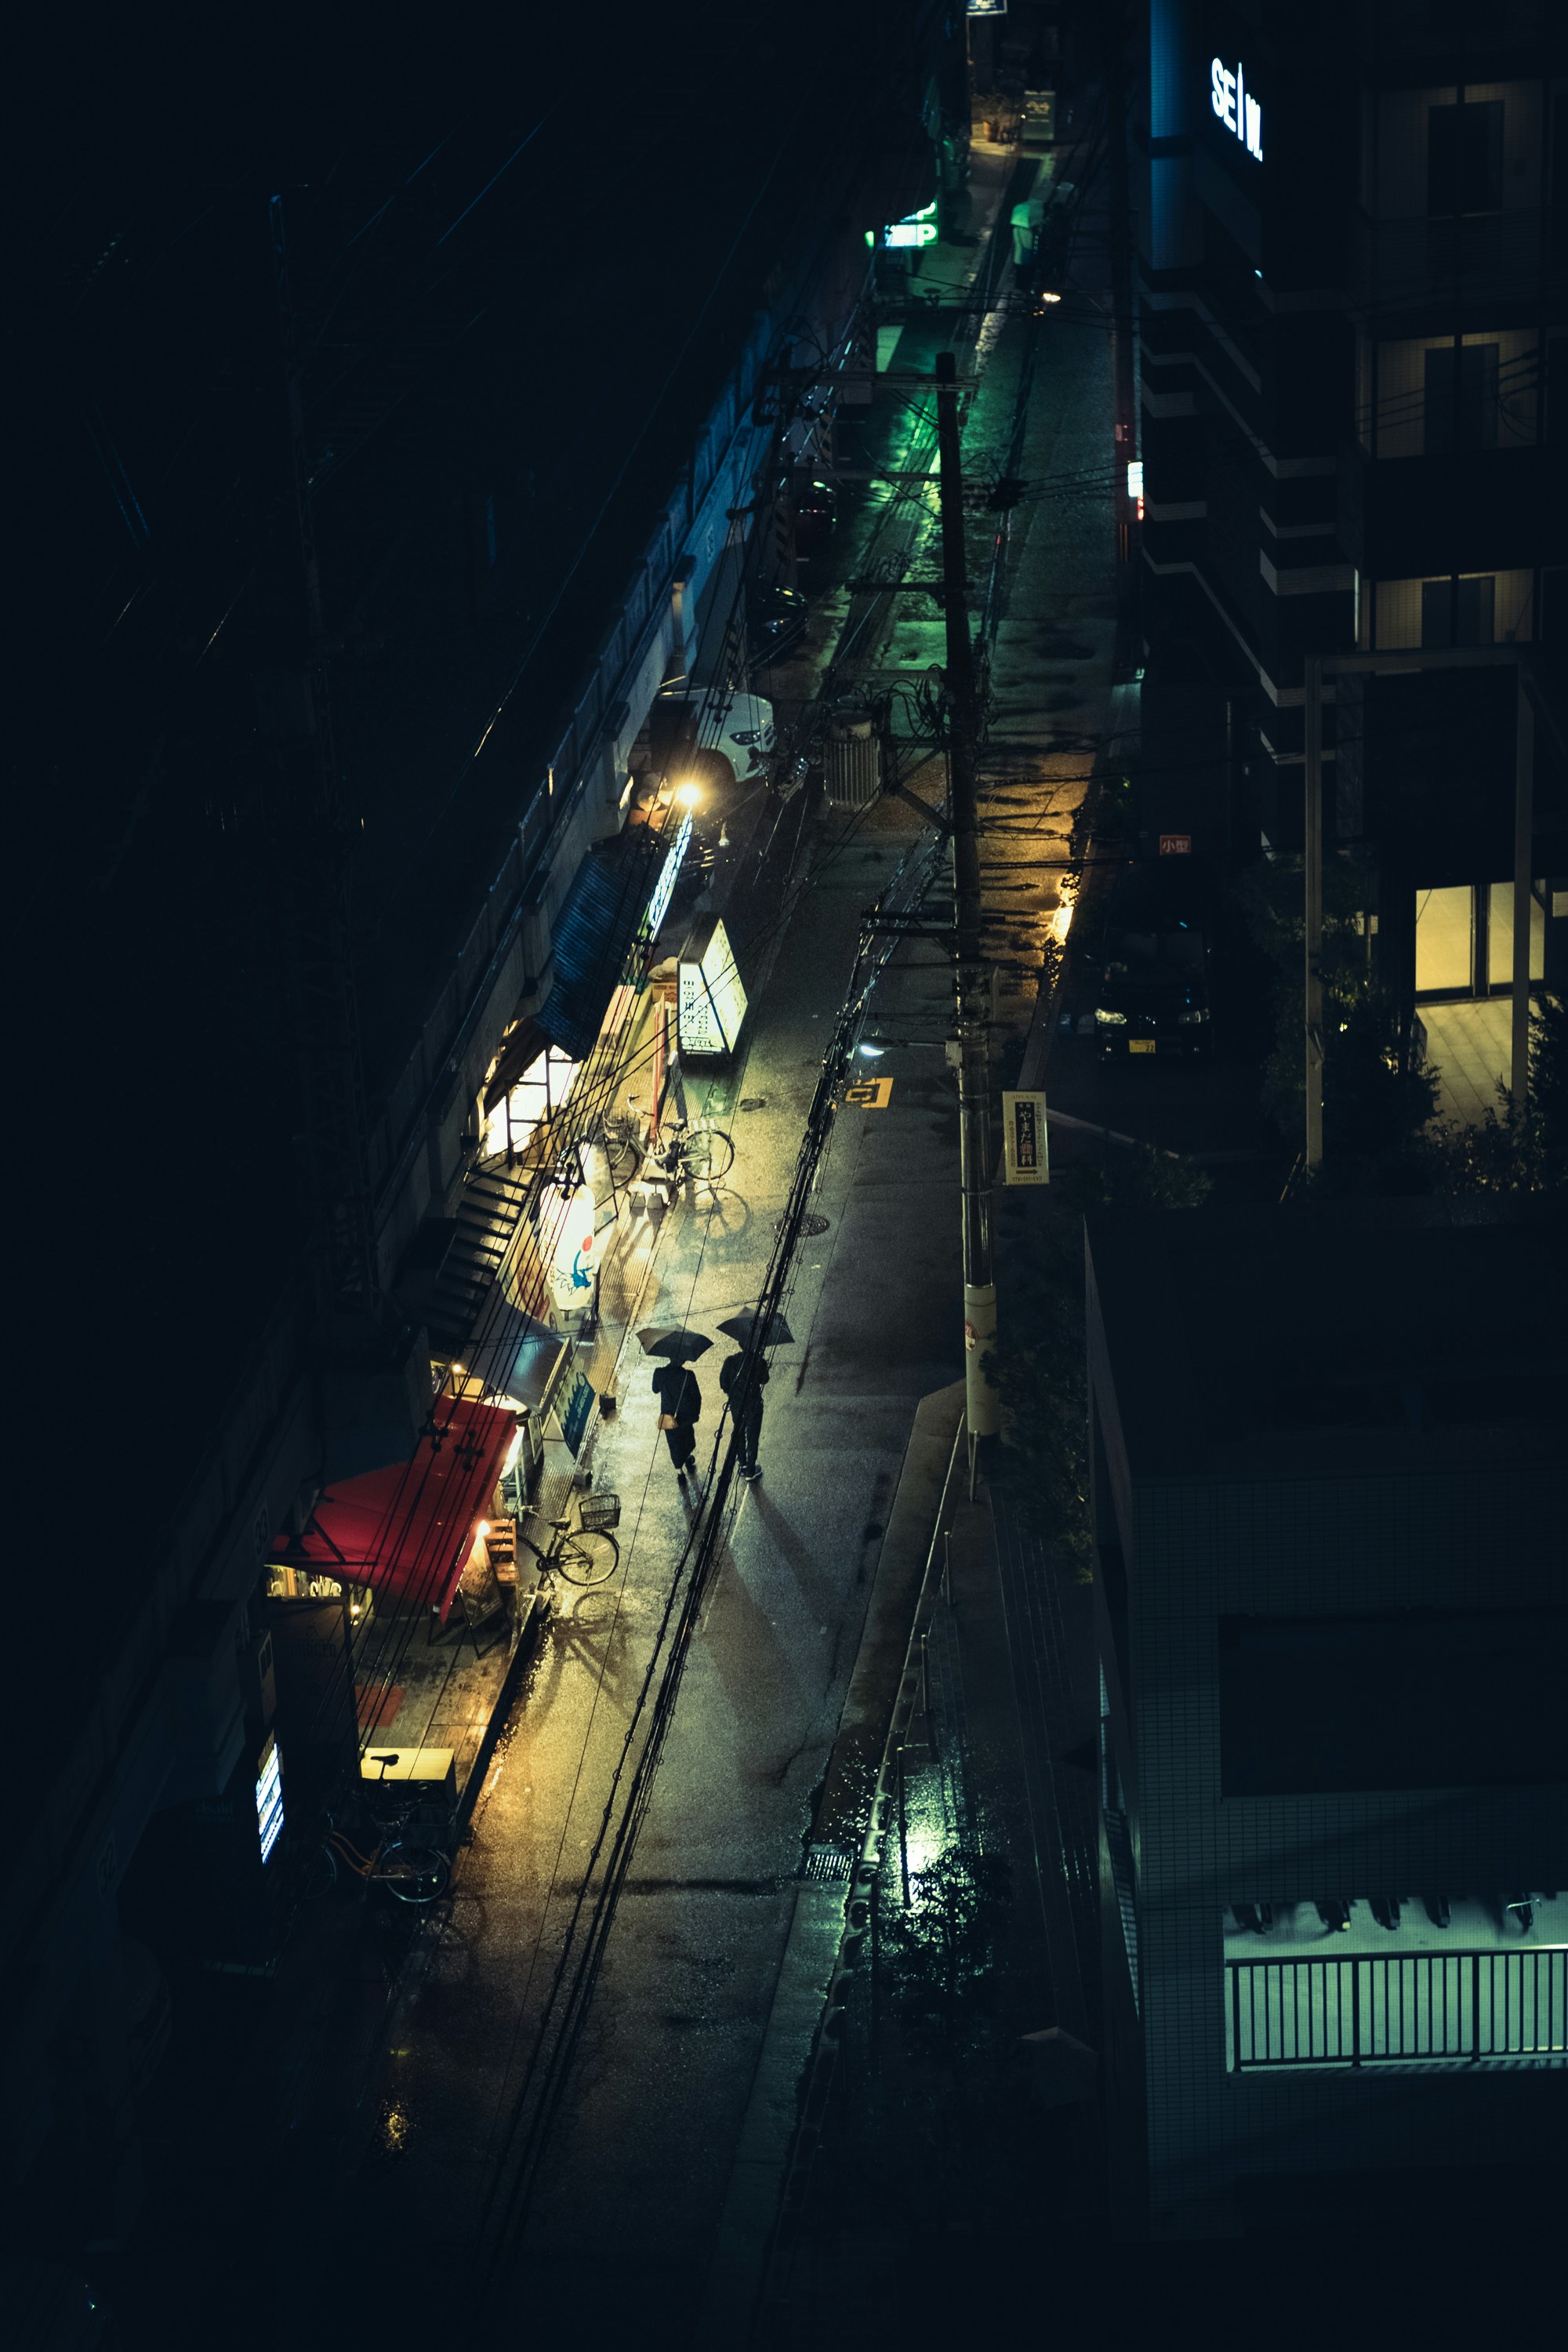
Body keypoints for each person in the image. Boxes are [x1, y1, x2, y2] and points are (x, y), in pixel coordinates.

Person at [719, 1349, 769, 1482]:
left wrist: (733, 1393)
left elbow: (723, 1384)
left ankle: (743, 1462)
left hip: (737, 1405)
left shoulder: (730, 1361)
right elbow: (765, 1379)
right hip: (754, 1405)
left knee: (739, 1431)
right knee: (753, 1434)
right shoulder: (758, 1361)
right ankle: (751, 1469)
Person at [652, 1359, 702, 1480]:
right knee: (687, 1438)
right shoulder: (688, 1375)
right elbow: (697, 1396)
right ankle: (687, 1459)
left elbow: (655, 1389)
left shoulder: (659, 1373)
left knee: (673, 1443)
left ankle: (680, 1472)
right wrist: (696, 1413)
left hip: (668, 1416)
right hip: (685, 1416)